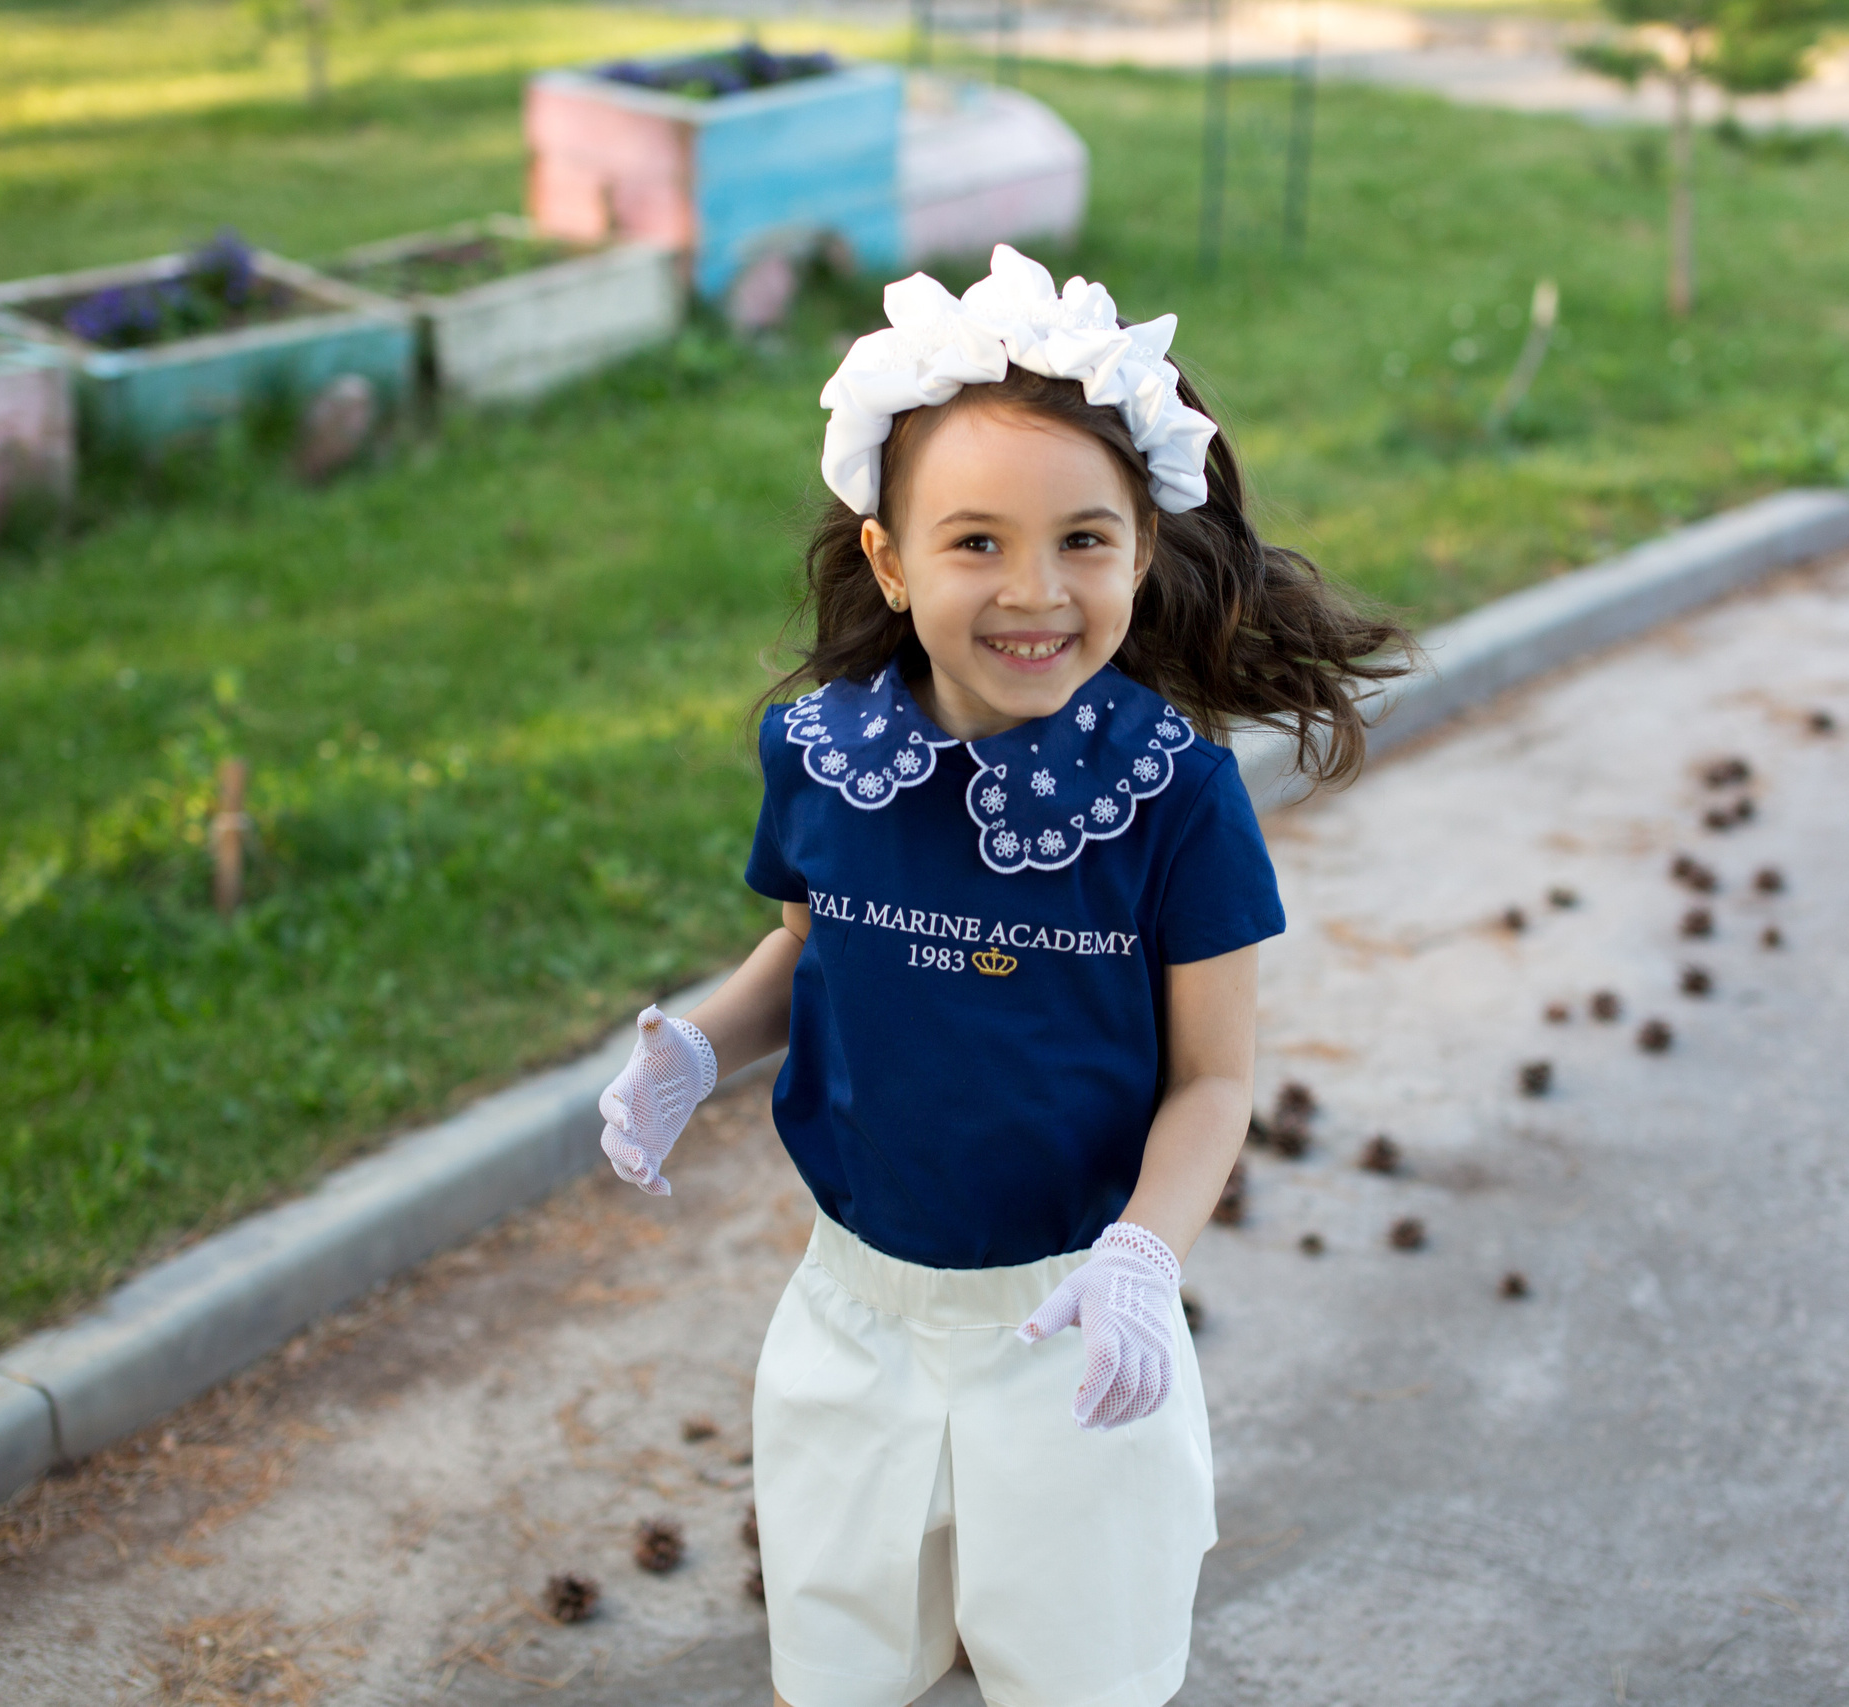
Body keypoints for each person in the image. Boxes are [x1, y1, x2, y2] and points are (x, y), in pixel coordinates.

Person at [597, 245, 1409, 1707]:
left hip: (1074, 1328)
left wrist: (1146, 1257)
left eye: (1084, 541)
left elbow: (1217, 1078)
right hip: (852, 1322)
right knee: (846, 1670)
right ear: (890, 560)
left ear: (1145, 551)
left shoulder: (1178, 801)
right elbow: (804, 952)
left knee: (1080, 1674)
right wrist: (700, 1044)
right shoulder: (821, 759)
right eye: (976, 543)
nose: (1035, 593)